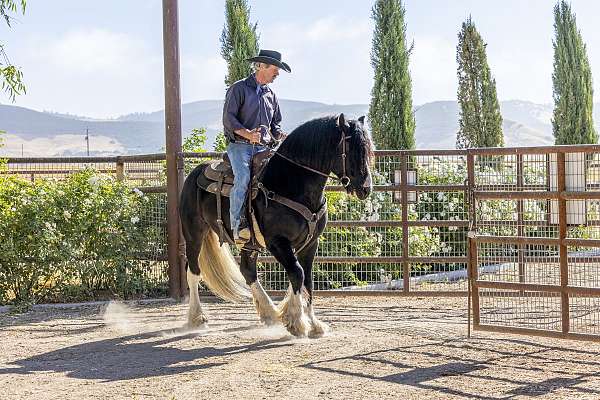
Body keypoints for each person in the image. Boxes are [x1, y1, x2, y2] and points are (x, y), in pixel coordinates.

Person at [222, 49, 291, 243]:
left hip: (264, 148)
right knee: (243, 178)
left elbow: (275, 125)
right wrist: (248, 134)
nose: (277, 74)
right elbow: (229, 119)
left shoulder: (271, 96)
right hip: (240, 146)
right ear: (261, 66)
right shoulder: (239, 89)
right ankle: (237, 226)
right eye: (276, 70)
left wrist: (280, 135)